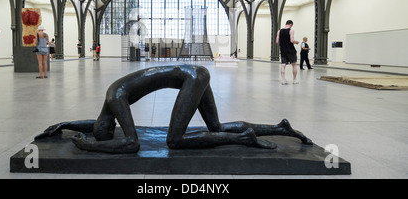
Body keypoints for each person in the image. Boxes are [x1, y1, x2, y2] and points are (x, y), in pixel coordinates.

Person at [36, 65, 313, 154]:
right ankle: (279, 128)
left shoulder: (116, 99)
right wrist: (64, 125)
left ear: (106, 125)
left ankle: (242, 138)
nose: (116, 129)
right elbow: (94, 126)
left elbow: (131, 144)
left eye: (111, 131)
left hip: (193, 78)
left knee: (174, 141)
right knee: (214, 127)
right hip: (196, 73)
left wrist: (90, 147)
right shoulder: (109, 101)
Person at [276, 20, 299, 85]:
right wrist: (296, 42)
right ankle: (294, 80)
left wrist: (283, 44)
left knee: (283, 65)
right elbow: (292, 40)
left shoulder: (279, 31)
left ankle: (283, 80)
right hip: (291, 50)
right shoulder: (291, 31)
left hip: (283, 51)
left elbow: (277, 41)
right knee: (294, 65)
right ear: (291, 24)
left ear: (286, 24)